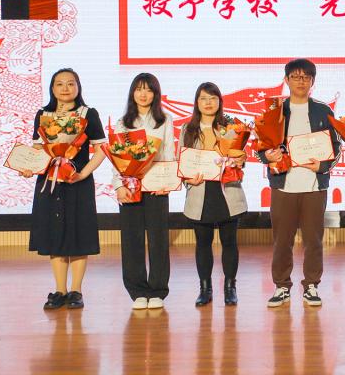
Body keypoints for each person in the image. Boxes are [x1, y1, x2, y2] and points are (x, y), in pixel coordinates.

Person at [22, 68, 107, 310]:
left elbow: (101, 149)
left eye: (71, 83)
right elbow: (37, 149)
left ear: (78, 87)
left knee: (79, 235)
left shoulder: (88, 114)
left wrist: (83, 173)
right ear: (52, 88)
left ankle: (76, 291)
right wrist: (29, 167)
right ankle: (60, 290)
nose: (65, 88)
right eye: (59, 84)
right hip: (49, 181)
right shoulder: (43, 114)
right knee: (55, 235)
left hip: (77, 181)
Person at [259, 59, 341, 308]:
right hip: (283, 185)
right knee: (282, 241)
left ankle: (311, 285)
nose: (301, 81)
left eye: (306, 77)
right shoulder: (275, 110)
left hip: (314, 185)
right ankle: (282, 286)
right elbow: (262, 146)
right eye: (295, 77)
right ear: (286, 80)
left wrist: (323, 166)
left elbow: (336, 146)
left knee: (313, 240)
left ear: (312, 81)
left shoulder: (323, 110)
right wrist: (267, 156)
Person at [180, 82, 248, 307]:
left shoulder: (231, 127)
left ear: (220, 101)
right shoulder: (187, 129)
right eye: (203, 98)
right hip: (200, 191)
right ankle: (205, 289)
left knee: (229, 242)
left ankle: (230, 288)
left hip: (227, 191)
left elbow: (240, 157)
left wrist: (240, 160)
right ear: (196, 103)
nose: (208, 103)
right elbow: (182, 161)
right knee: (203, 243)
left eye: (212, 98)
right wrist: (188, 178)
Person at [113, 73, 176, 310]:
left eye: (149, 90)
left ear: (155, 94)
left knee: (159, 240)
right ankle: (137, 290)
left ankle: (158, 290)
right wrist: (119, 186)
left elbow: (168, 153)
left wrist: (166, 183)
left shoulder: (165, 120)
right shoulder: (123, 123)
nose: (143, 94)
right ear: (132, 93)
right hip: (130, 187)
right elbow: (117, 158)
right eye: (139, 89)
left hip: (156, 187)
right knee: (132, 240)